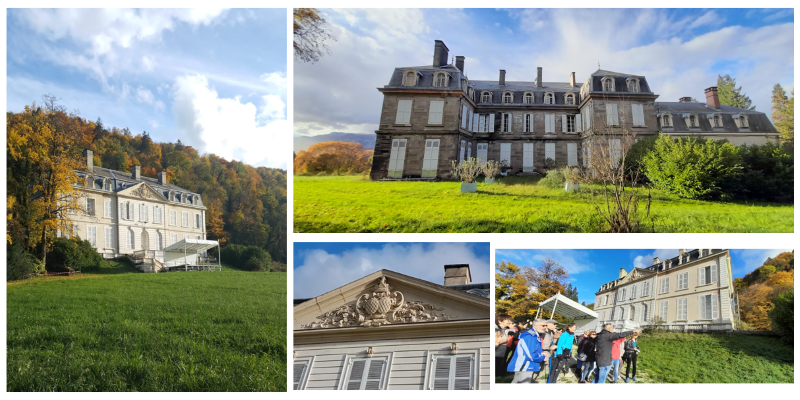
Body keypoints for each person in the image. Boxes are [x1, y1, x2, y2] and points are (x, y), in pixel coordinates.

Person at [507, 319, 548, 383]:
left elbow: (535, 349)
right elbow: (531, 355)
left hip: (529, 365)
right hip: (525, 365)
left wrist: (541, 352)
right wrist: (542, 357)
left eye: (546, 325)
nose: (545, 327)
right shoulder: (529, 337)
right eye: (543, 325)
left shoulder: (535, 336)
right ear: (535, 326)